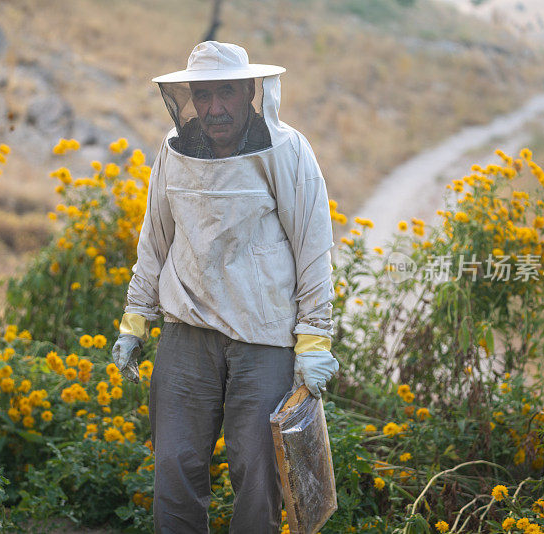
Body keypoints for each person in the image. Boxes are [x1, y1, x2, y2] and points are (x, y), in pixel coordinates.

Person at [111, 41, 339, 533]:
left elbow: (313, 247)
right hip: (185, 334)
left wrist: (315, 336)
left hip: (264, 338)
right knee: (174, 466)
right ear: (188, 98)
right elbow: (155, 239)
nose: (214, 108)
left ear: (251, 93)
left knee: (259, 476)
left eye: (226, 93)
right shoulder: (173, 153)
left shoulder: (287, 150)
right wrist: (134, 320)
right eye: (203, 94)